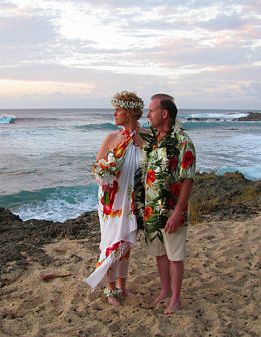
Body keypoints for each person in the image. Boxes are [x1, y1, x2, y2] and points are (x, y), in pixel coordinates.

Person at [83, 91, 149, 306]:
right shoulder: (111, 138)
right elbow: (96, 167)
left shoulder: (148, 137)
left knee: (126, 244)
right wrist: (103, 176)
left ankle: (122, 286)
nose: (114, 113)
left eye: (118, 110)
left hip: (134, 199)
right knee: (111, 241)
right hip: (111, 201)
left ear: (129, 113)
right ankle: (110, 290)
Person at [141, 93, 196, 314]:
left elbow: (188, 178)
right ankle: (164, 291)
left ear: (164, 114)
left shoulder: (183, 141)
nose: (148, 115)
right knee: (159, 252)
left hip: (173, 209)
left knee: (175, 255)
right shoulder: (154, 140)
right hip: (152, 208)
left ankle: (175, 299)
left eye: (151, 110)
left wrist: (177, 212)